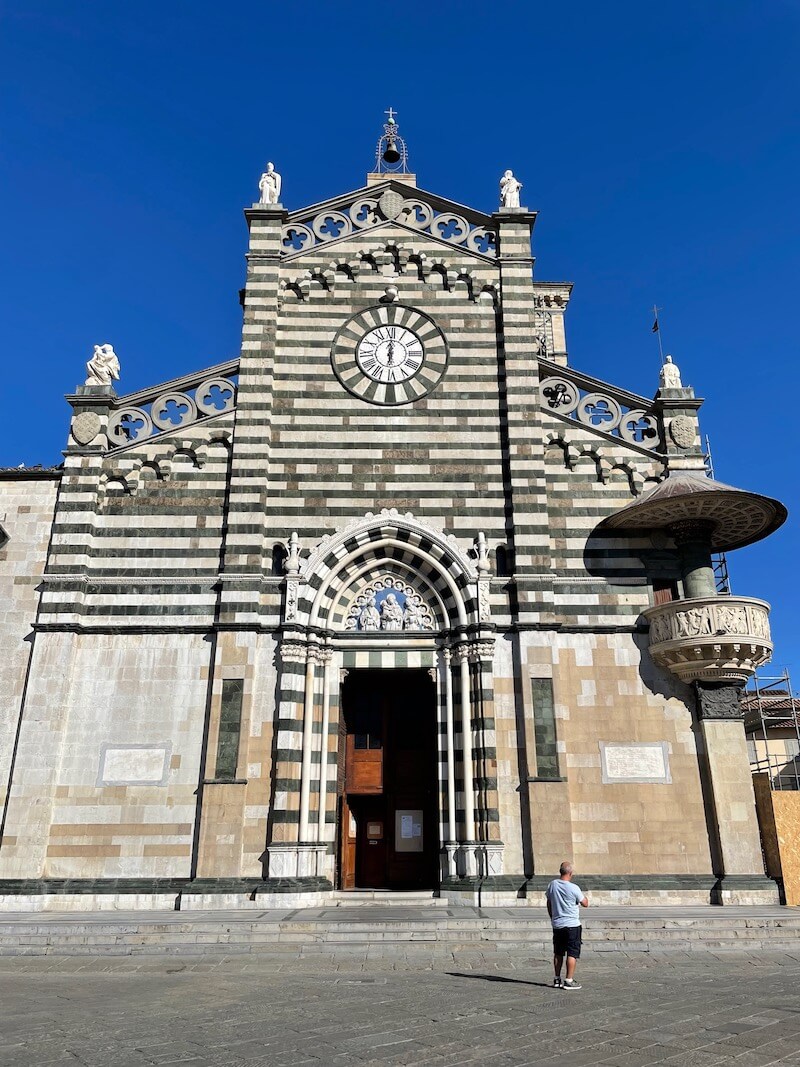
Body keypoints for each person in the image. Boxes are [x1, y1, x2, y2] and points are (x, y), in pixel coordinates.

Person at [546, 861, 588, 990]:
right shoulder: (574, 887)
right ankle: (569, 980)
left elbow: (549, 902)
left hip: (558, 924)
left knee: (558, 953)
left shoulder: (552, 885)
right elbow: (585, 903)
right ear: (570, 873)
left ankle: (557, 979)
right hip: (572, 925)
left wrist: (552, 917)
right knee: (572, 952)